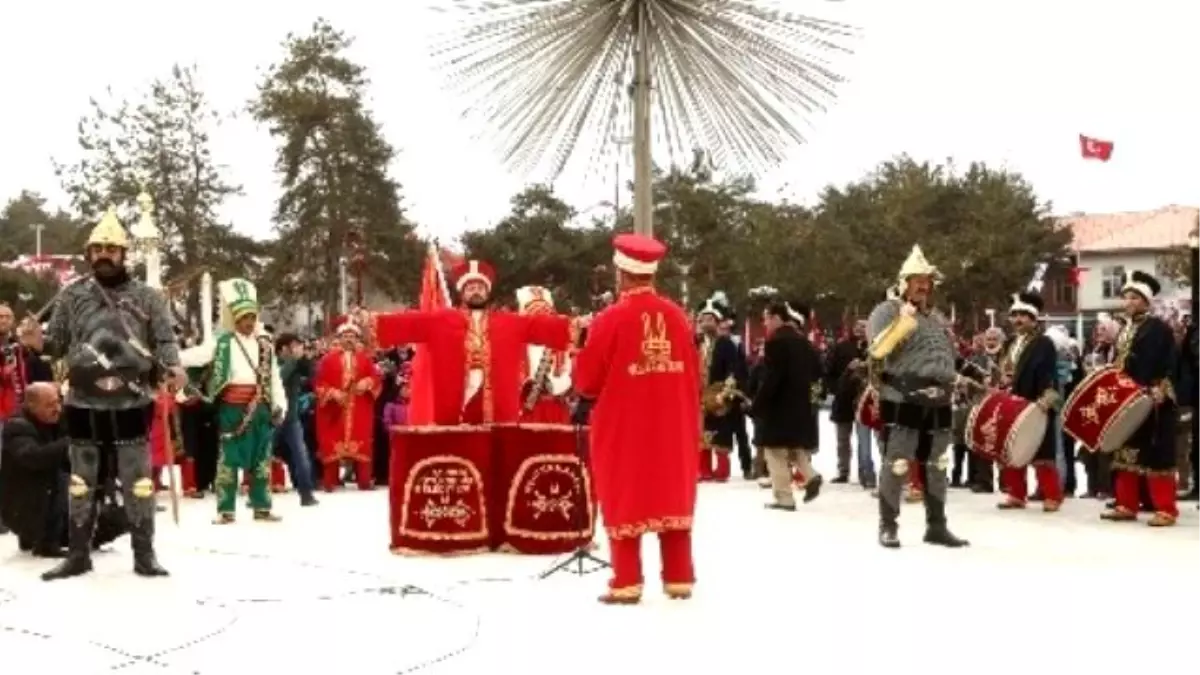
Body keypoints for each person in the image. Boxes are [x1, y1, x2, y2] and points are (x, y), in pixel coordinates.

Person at [41, 207, 182, 580]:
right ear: (89, 254)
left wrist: (174, 367)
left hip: (131, 400)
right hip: (83, 400)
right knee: (80, 481)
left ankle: (144, 554)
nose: (104, 254)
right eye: (98, 248)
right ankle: (77, 555)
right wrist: (36, 339)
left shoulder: (149, 298)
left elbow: (165, 341)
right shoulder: (71, 296)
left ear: (123, 254)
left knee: (138, 481)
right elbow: (55, 344)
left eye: (112, 248)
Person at [573, 233, 700, 605]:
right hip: (673, 423)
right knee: (671, 491)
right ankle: (678, 576)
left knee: (624, 491)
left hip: (624, 426)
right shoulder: (677, 316)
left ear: (622, 273)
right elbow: (693, 371)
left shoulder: (609, 319)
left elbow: (587, 380)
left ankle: (626, 580)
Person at [356, 259, 578, 425]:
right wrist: (374, 321)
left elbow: (538, 326)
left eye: (480, 287)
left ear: (487, 292)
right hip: (457, 399)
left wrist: (577, 325)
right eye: (470, 287)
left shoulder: (507, 321)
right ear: (462, 292)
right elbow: (411, 323)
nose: (476, 291)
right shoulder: (442, 319)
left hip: (498, 405)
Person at [866, 245, 969, 549]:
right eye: (917, 280)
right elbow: (878, 349)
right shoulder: (886, 311)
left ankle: (936, 525)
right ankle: (888, 525)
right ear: (904, 282)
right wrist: (904, 321)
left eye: (927, 281)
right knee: (897, 461)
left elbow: (946, 355)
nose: (924, 286)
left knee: (938, 463)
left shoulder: (936, 318)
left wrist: (966, 376)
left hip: (939, 398)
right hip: (901, 395)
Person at [180, 278, 287, 524]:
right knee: (228, 458)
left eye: (251, 317)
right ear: (234, 319)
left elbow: (274, 379)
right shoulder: (222, 342)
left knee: (262, 457)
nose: (248, 322)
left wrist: (280, 405)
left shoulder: (265, 346)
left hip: (260, 407)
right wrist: (169, 355)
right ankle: (225, 509)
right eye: (243, 318)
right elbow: (195, 357)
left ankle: (262, 506)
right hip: (231, 408)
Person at [1100, 270, 1179, 526]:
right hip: (1127, 399)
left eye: (1135, 297)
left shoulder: (1158, 328)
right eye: (1126, 297)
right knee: (1126, 453)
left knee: (1157, 455)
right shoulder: (1125, 329)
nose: (1129, 302)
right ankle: (1126, 504)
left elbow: (1168, 364)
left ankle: (1165, 509)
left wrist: (1160, 389)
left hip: (1153, 399)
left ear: (1146, 301)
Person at [995, 292, 1064, 511]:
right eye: (1014, 315)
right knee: (1013, 448)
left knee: (1042, 450)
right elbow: (1004, 369)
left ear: (1033, 318)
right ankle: (1016, 494)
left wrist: (1045, 399)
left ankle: (1052, 495)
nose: (1018, 320)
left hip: (1036, 401)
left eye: (1023, 315)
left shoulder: (1043, 343)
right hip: (1011, 402)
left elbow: (1048, 373)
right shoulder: (1009, 343)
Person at [752, 299, 823, 510]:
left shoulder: (776, 342)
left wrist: (759, 403)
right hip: (800, 404)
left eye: (766, 318)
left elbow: (773, 377)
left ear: (776, 318)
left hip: (779, 405)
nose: (765, 323)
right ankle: (811, 476)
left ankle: (784, 497)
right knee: (794, 447)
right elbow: (816, 373)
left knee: (774, 451)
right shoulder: (804, 343)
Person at [0, 383, 69, 557]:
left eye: (57, 402)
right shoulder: (16, 427)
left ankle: (40, 536)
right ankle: (43, 539)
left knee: (109, 523)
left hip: (41, 502)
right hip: (24, 508)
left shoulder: (55, 420)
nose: (57, 409)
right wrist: (69, 443)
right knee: (60, 476)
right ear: (32, 406)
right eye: (49, 405)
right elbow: (34, 458)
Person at [313, 322, 381, 491]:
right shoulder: (327, 360)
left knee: (362, 441)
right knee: (332, 441)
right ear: (340, 338)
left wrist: (367, 382)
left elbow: (376, 378)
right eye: (345, 336)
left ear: (356, 339)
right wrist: (333, 393)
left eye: (352, 336)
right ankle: (330, 480)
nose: (348, 339)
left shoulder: (365, 359)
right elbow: (318, 383)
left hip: (359, 407)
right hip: (336, 408)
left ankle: (364, 481)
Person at [696, 293, 744, 482]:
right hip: (699, 393)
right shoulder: (696, 342)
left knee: (721, 431)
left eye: (710, 319)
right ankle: (703, 468)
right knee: (701, 433)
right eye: (704, 319)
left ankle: (722, 469)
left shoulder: (726, 344)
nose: (706, 323)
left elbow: (734, 368)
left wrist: (727, 389)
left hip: (718, 392)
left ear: (717, 322)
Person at [516, 285, 573, 424]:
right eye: (535, 313)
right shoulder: (516, 345)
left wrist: (554, 385)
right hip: (526, 410)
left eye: (545, 312)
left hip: (555, 409)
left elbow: (568, 375)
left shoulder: (560, 346)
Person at [275, 332, 318, 505]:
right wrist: (292, 360)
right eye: (293, 346)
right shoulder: (272, 361)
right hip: (273, 417)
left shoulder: (297, 363)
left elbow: (311, 372)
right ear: (284, 348)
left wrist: (304, 358)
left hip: (291, 417)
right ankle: (258, 495)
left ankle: (306, 494)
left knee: (301, 455)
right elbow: (279, 378)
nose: (296, 349)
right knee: (261, 455)